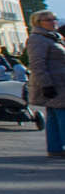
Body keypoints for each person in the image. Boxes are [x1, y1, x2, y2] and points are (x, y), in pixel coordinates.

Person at [26, 10, 65, 156]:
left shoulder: (53, 37)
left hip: (59, 82)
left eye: (54, 19)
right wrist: (46, 84)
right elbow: (37, 64)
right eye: (48, 20)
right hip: (54, 83)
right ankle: (57, 147)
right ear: (38, 23)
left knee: (55, 115)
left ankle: (55, 148)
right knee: (61, 115)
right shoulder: (38, 39)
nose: (53, 22)